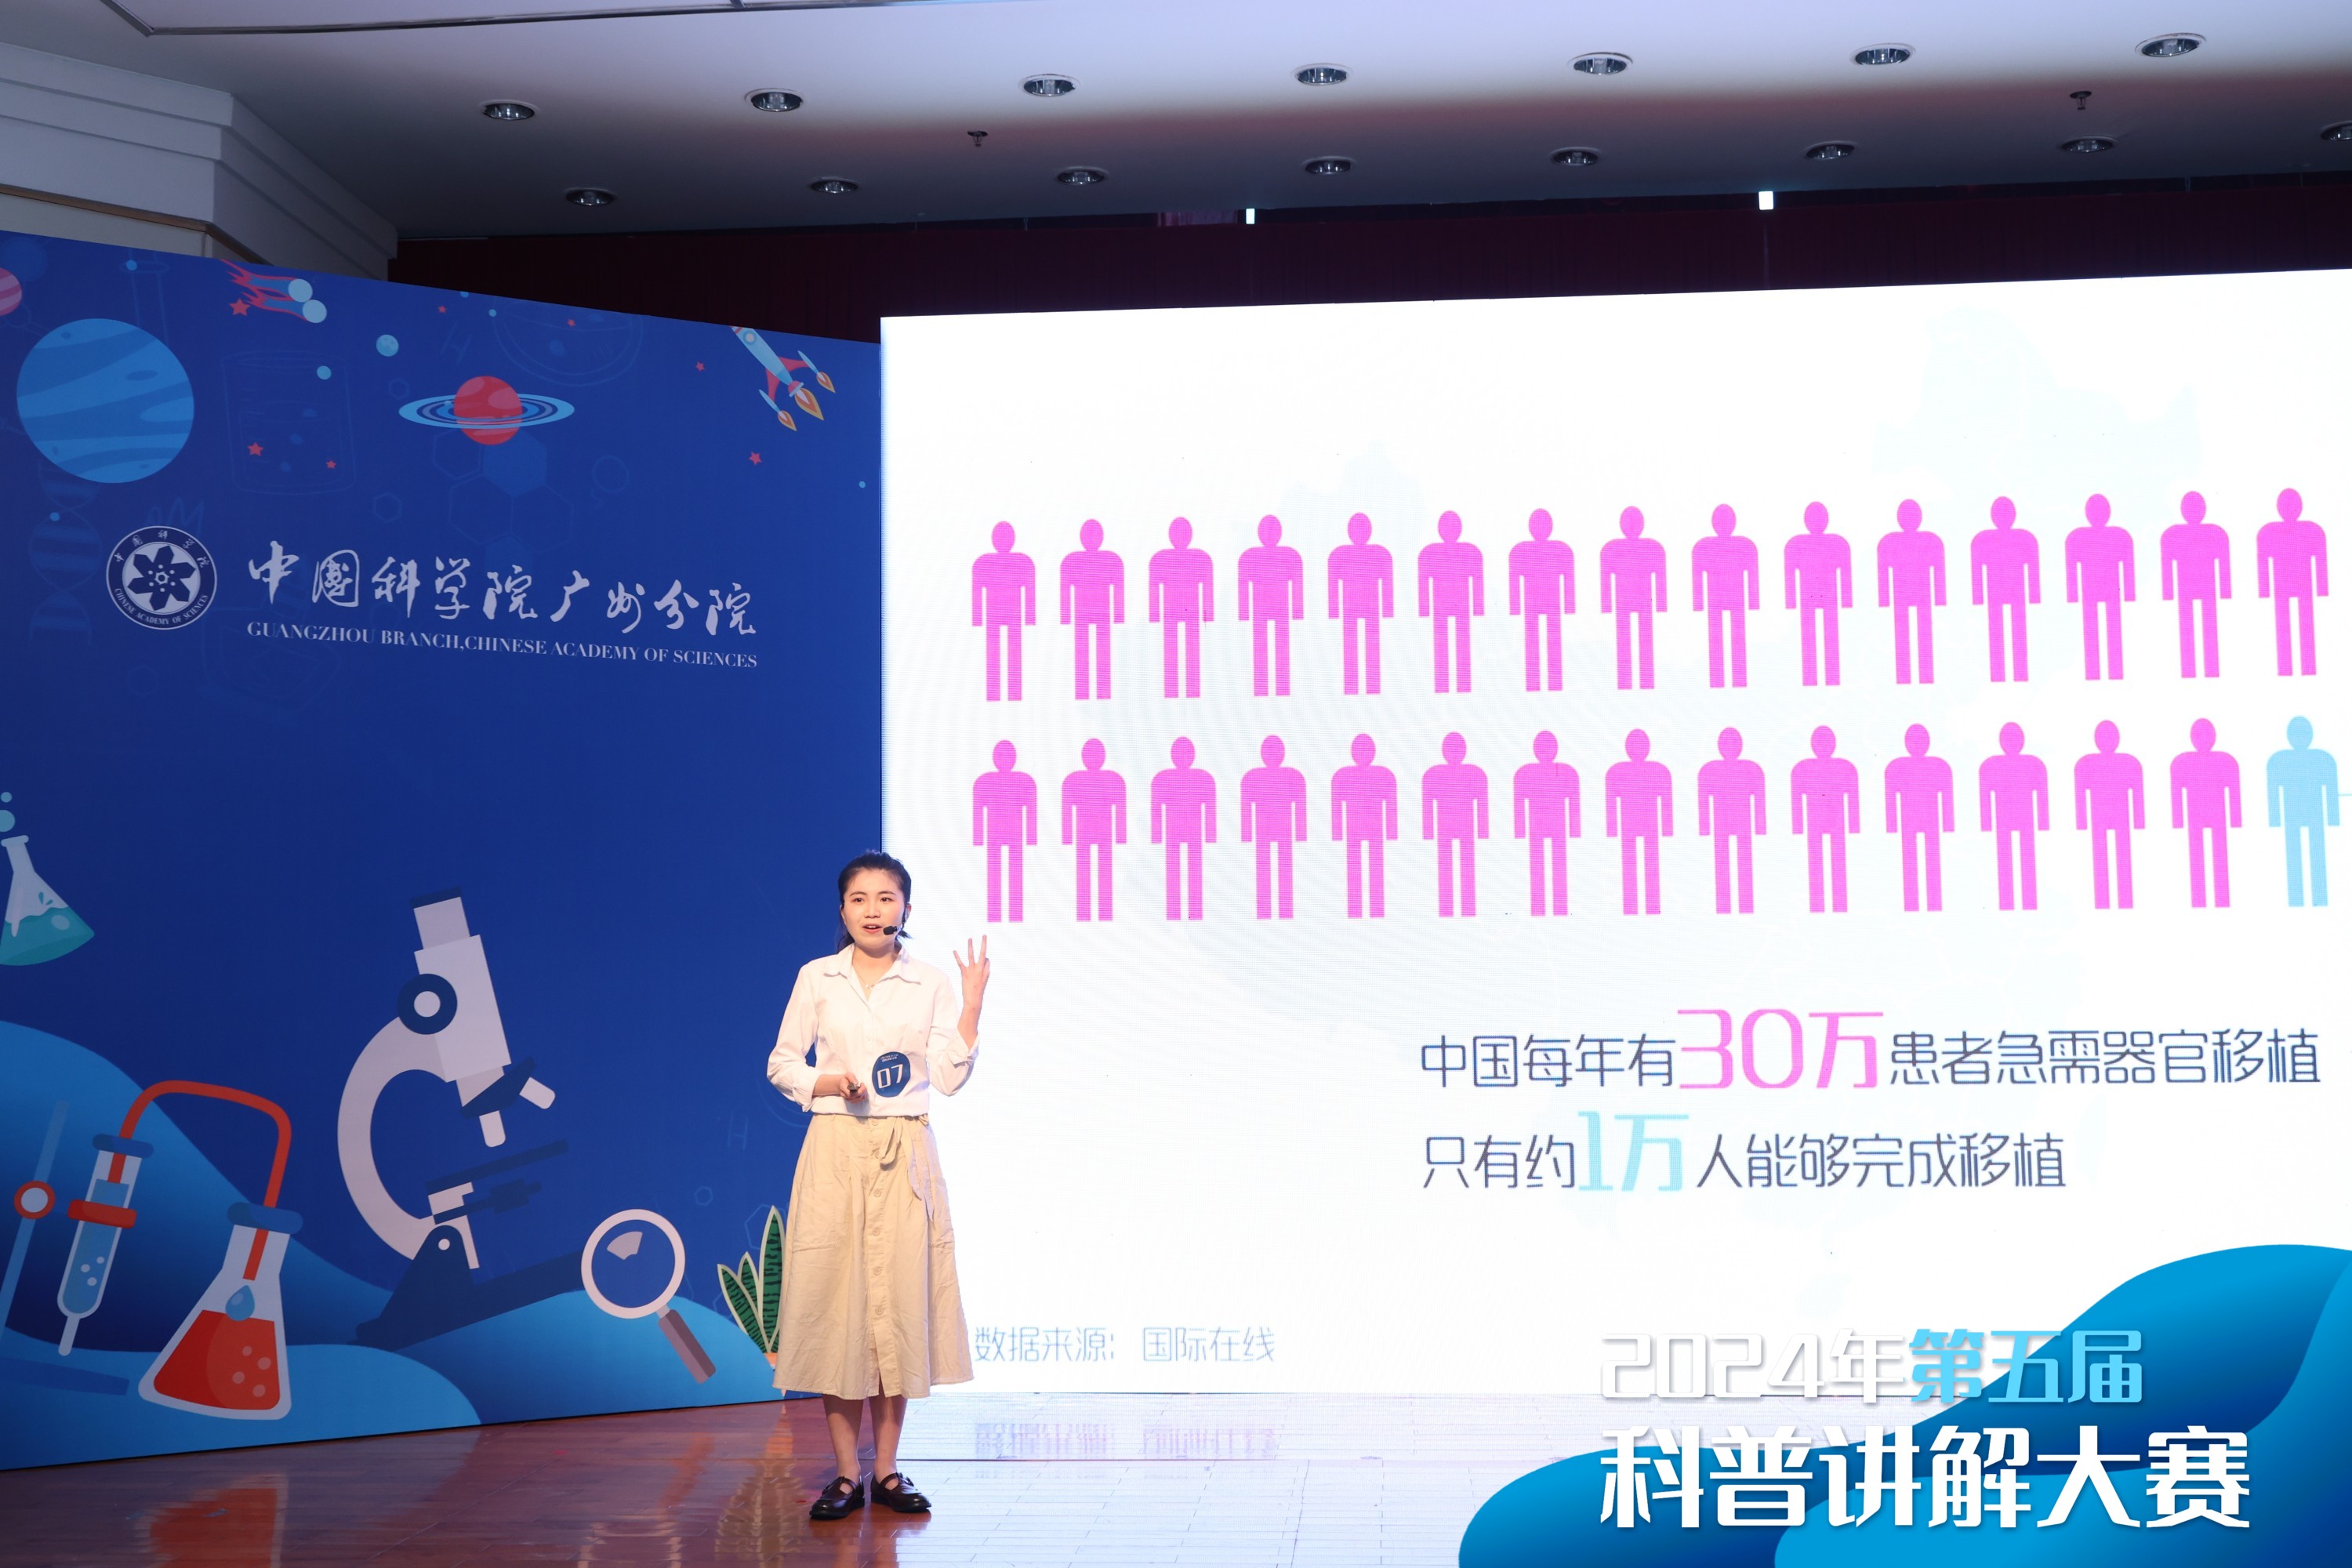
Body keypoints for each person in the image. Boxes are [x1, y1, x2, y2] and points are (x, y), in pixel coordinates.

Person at [766, 851, 992, 1522]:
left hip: (904, 1147)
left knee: (896, 1306)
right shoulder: (818, 977)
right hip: (835, 1146)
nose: (873, 910)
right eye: (860, 899)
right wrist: (828, 1082)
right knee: (837, 1307)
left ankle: (888, 1471)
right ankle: (845, 1475)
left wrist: (972, 1007)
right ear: (843, 910)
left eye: (886, 898)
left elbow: (948, 1076)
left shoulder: (928, 982)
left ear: (906, 910)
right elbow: (781, 1062)